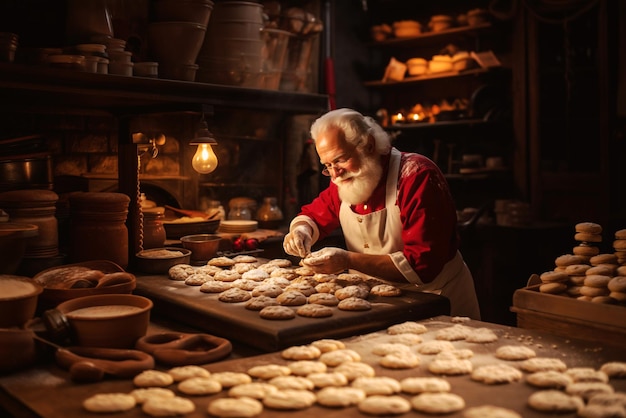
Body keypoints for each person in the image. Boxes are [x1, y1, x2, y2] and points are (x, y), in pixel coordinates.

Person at [283, 108, 481, 319]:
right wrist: (301, 231)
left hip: (434, 299)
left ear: (368, 145)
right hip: (373, 303)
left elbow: (422, 265)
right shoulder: (344, 179)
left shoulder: (416, 176)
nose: (335, 174)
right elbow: (314, 214)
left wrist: (347, 260)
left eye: (340, 160)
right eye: (327, 165)